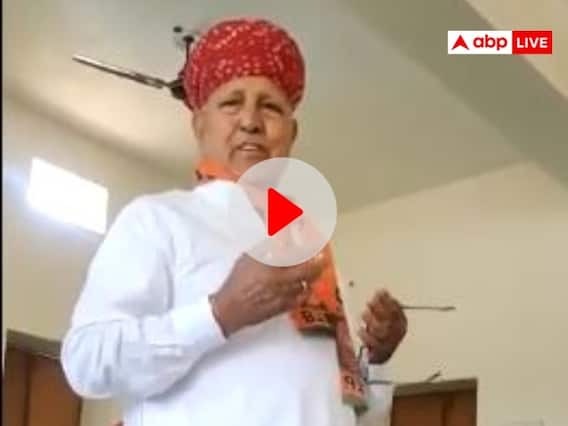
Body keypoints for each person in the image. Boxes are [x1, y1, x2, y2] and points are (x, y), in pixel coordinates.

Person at [61, 17, 407, 426]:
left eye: (270, 107)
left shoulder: (312, 250)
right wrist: (220, 313)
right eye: (232, 103)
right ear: (199, 125)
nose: (251, 121)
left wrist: (376, 359)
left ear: (291, 133)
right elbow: (87, 361)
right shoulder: (158, 220)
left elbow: (355, 413)